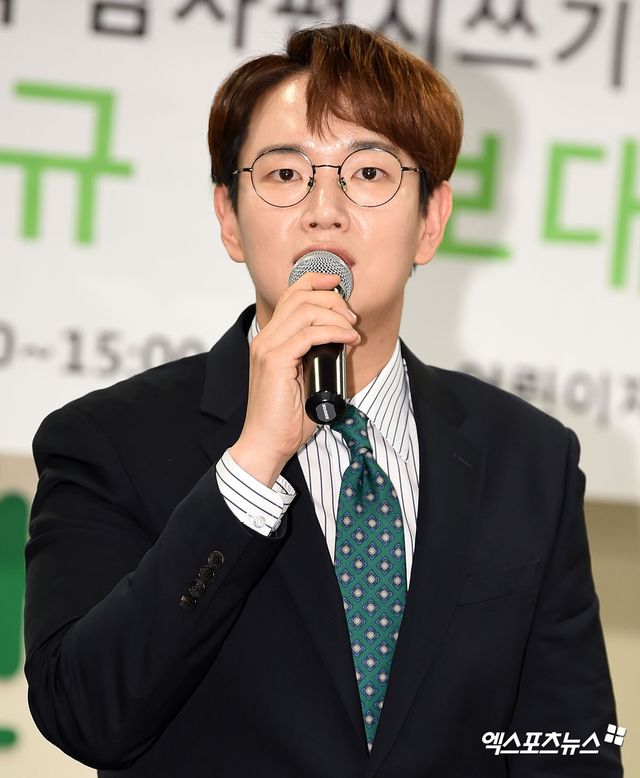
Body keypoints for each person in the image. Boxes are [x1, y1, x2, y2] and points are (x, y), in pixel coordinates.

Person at [24, 23, 621, 778]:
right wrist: (251, 468)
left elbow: (570, 746)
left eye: (369, 173)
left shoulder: (529, 459)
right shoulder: (108, 439)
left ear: (431, 220)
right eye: (285, 174)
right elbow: (84, 715)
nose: (324, 210)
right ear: (228, 217)